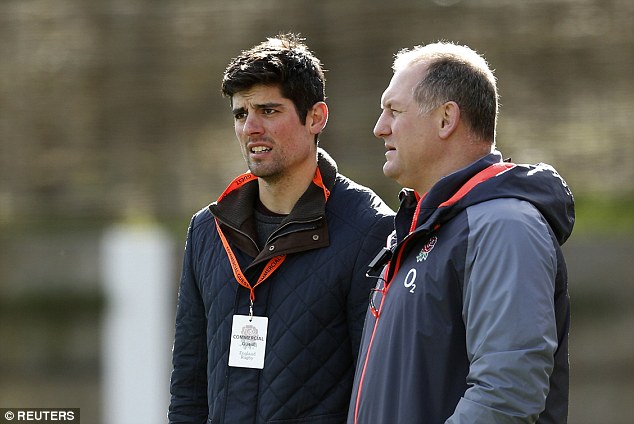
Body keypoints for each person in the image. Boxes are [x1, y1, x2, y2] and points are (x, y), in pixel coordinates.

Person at [168, 33, 394, 424]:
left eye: (269, 111)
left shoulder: (370, 230)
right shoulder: (207, 230)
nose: (250, 127)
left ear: (316, 117)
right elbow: (188, 389)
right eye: (241, 114)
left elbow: (375, 394)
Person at [348, 41, 574, 423]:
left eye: (393, 110)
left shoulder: (503, 225)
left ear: (445, 119)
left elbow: (506, 396)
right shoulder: (418, 229)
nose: (379, 128)